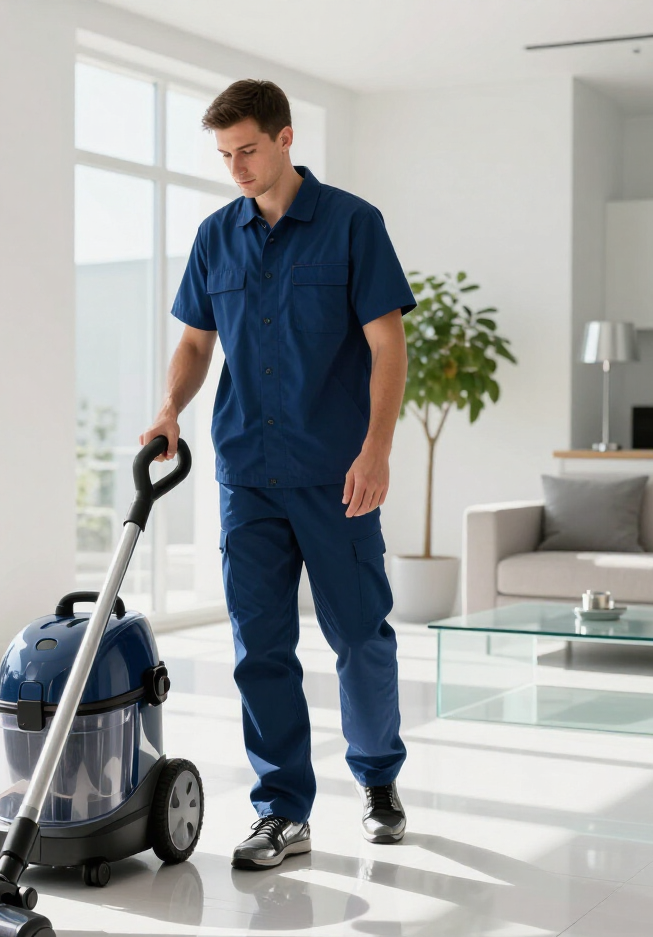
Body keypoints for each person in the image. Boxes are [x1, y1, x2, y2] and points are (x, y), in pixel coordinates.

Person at [140, 79, 415, 870]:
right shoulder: (215, 237)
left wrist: (377, 449)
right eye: (225, 156)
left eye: (249, 150)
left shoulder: (354, 225)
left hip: (337, 473)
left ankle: (377, 778)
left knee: (359, 635)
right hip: (247, 475)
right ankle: (282, 811)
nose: (238, 167)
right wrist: (170, 410)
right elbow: (196, 345)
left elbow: (389, 347)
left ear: (287, 138)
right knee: (260, 646)